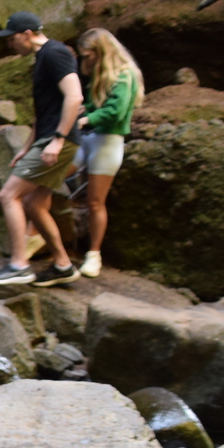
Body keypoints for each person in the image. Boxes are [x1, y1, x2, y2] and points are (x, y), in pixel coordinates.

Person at [0, 12, 82, 287]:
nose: (10, 45)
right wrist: (26, 147)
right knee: (34, 204)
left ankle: (19, 265)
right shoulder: (43, 58)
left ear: (27, 35)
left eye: (12, 38)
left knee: (8, 195)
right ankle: (63, 265)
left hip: (57, 141)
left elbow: (74, 96)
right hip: (48, 139)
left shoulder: (54, 53)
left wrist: (58, 139)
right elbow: (44, 112)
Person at [69, 28, 143, 278]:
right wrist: (83, 109)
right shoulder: (99, 74)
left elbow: (115, 111)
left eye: (88, 55)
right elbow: (95, 103)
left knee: (95, 201)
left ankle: (94, 254)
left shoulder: (125, 75)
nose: (85, 60)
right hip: (87, 138)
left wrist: (86, 119)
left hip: (107, 141)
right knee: (55, 179)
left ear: (101, 52)